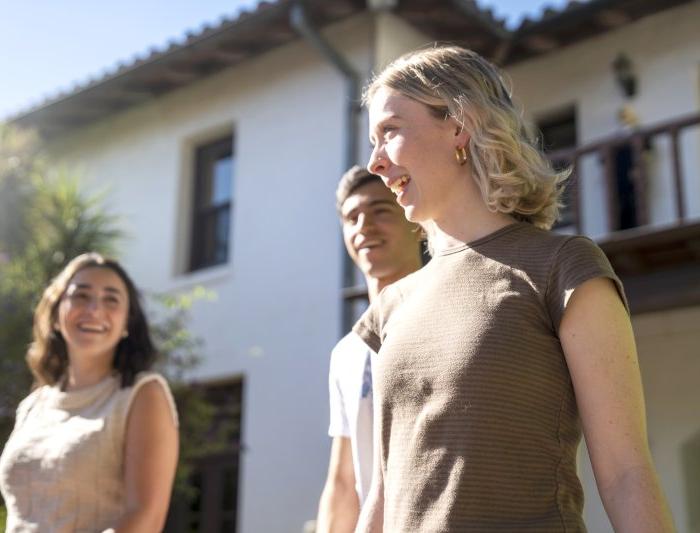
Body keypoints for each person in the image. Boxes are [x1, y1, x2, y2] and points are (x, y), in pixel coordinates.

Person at [354, 46, 675, 532]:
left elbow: (626, 472)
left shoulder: (562, 268)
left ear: (459, 124)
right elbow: (382, 491)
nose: (375, 162)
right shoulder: (390, 308)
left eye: (390, 132)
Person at [0, 252, 179, 532]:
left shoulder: (142, 394)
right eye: (81, 296)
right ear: (57, 313)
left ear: (126, 325)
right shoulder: (33, 406)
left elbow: (145, 517)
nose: (94, 309)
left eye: (111, 299)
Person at [315, 166, 423, 532]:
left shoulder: (448, 315)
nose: (364, 226)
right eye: (352, 217)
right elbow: (344, 482)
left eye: (380, 211)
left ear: (416, 223)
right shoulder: (346, 353)